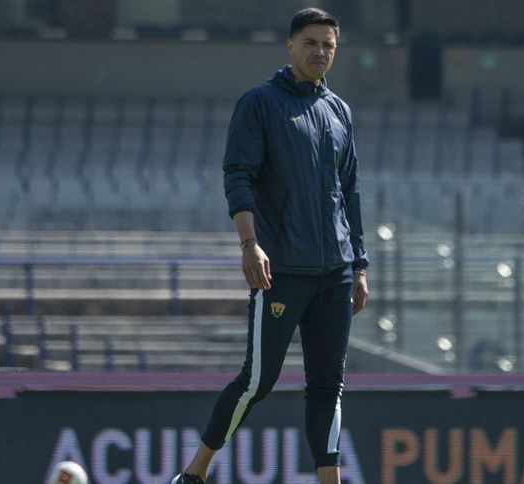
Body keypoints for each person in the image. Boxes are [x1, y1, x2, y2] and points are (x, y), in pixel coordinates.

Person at [171, 7, 369, 484]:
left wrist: (359, 265)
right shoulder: (259, 103)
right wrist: (249, 243)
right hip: (282, 270)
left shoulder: (339, 111)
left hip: (336, 272)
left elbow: (350, 192)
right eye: (311, 42)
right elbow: (237, 175)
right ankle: (195, 474)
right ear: (290, 45)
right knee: (257, 381)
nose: (319, 52)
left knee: (329, 385)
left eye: (328, 45)